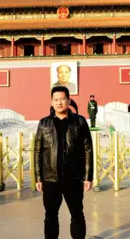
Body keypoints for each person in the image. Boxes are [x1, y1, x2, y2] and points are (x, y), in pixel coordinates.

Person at [34, 86, 93, 239]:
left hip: (73, 177)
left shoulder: (79, 122)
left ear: (68, 100)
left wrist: (88, 176)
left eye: (62, 99)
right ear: (52, 102)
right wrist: (38, 177)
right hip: (50, 178)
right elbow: (38, 152)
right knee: (50, 216)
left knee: (77, 214)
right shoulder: (44, 123)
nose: (59, 102)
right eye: (56, 100)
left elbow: (88, 149)